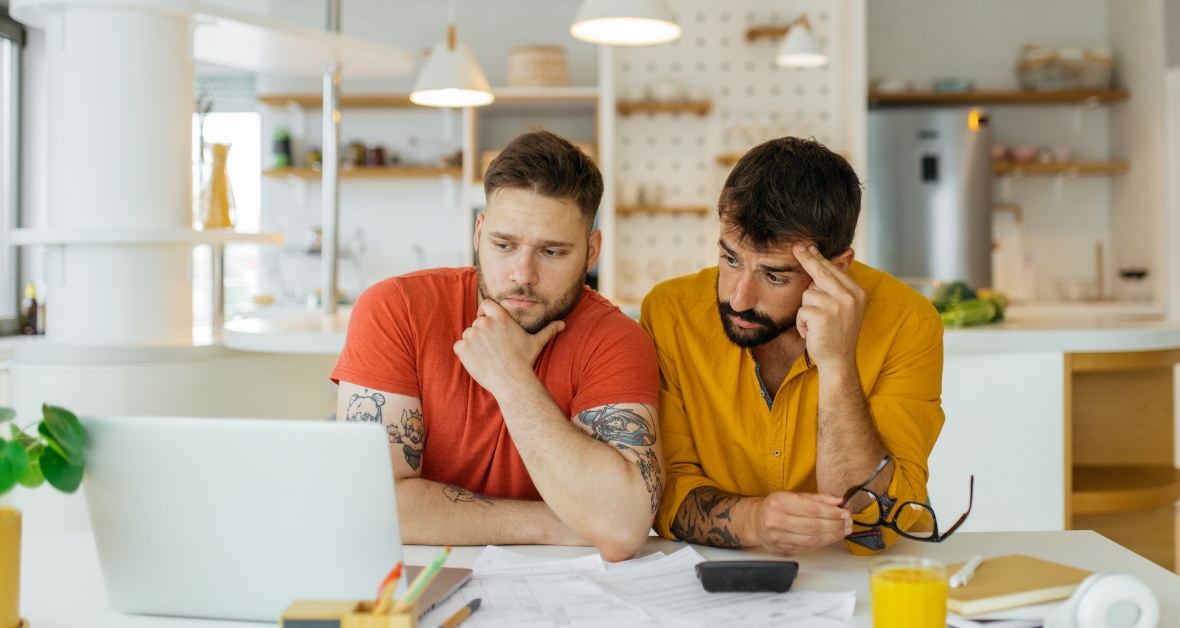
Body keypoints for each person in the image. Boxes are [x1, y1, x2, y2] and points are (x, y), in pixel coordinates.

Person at [331, 130, 662, 561]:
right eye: (504, 245)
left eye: (552, 252)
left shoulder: (615, 339)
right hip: (415, 576)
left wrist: (510, 379)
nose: (522, 274)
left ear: (591, 251)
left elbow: (620, 527)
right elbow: (370, 503)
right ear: (478, 232)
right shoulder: (397, 309)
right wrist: (551, 524)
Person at [639, 136, 945, 557]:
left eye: (775, 276)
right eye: (731, 260)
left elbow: (874, 521)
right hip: (720, 569)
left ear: (836, 268)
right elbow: (662, 493)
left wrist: (837, 366)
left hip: (866, 576)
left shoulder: (908, 322)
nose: (738, 299)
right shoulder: (670, 313)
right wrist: (754, 522)